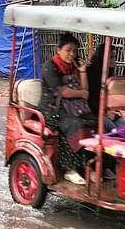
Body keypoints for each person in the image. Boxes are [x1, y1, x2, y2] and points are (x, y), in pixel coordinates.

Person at [37, 33, 98, 186]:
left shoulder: (74, 66)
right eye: (68, 50)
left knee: (95, 123)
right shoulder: (49, 67)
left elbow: (85, 89)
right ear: (59, 50)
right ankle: (69, 169)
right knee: (74, 125)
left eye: (75, 51)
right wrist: (82, 94)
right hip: (52, 108)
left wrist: (83, 71)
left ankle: (89, 166)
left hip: (73, 107)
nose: (72, 54)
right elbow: (61, 91)